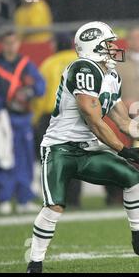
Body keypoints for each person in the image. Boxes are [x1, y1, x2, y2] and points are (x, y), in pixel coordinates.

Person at [25, 21, 139, 273]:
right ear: (94, 45)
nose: (114, 47)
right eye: (108, 43)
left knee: (132, 178)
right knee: (54, 206)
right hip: (60, 149)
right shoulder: (84, 68)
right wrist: (121, 150)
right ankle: (35, 262)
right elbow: (92, 119)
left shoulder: (111, 76)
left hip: (88, 150)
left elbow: (124, 122)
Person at [0, 30, 45, 215]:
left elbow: (40, 86)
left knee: (25, 158)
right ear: (2, 44)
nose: (11, 46)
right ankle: (4, 198)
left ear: (18, 44)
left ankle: (24, 198)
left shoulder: (26, 65)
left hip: (23, 118)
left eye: (14, 42)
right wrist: (2, 104)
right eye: (7, 43)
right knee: (4, 157)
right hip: (3, 118)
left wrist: (28, 93)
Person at [32, 33, 83, 207]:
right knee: (75, 158)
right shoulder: (79, 61)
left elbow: (40, 95)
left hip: (51, 117)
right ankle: (75, 200)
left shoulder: (48, 64)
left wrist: (36, 118)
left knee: (52, 161)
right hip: (77, 115)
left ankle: (55, 198)